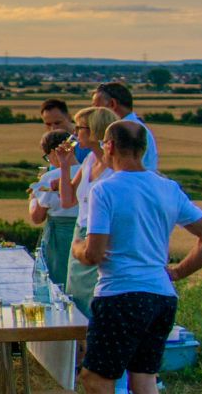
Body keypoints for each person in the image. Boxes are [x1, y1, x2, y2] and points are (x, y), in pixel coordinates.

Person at [75, 121, 202, 393]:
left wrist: (77, 248)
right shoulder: (168, 188)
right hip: (161, 296)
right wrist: (177, 272)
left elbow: (94, 253)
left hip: (119, 294)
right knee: (144, 377)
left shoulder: (105, 189)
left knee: (96, 378)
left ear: (109, 146)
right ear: (143, 149)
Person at [55, 107, 120, 314]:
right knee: (75, 297)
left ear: (94, 130)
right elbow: (67, 200)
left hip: (100, 237)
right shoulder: (90, 160)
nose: (74, 133)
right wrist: (64, 166)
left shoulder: (114, 169)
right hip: (80, 233)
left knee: (93, 299)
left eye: (79, 128)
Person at [28, 130, 78, 286]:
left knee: (56, 280)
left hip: (58, 235)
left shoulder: (49, 177)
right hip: (84, 232)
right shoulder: (88, 172)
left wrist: (32, 198)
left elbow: (37, 217)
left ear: (52, 152)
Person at [91, 82, 157, 171]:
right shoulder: (134, 128)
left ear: (112, 104)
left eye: (97, 107)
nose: (93, 113)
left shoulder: (128, 132)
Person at [40, 99, 91, 163]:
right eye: (48, 124)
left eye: (57, 123)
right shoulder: (51, 145)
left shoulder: (87, 143)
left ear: (69, 117)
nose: (53, 128)